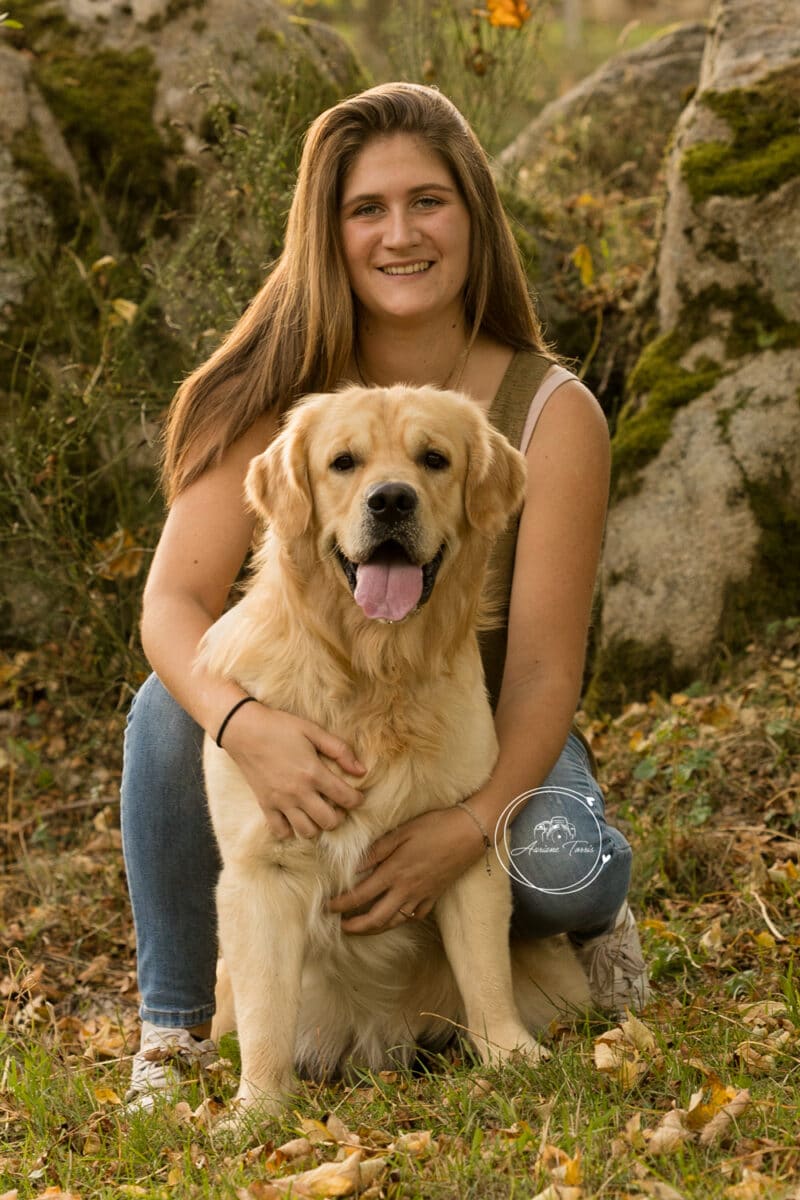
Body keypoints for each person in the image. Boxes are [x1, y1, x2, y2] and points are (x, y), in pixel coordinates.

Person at [120, 81, 648, 1107]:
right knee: (161, 714)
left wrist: (472, 820)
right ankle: (172, 1031)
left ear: (472, 219)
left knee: (561, 864)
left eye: (427, 202)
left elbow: (540, 667)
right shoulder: (277, 393)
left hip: (479, 727)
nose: (398, 234)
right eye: (366, 208)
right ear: (329, 231)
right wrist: (244, 726)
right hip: (317, 700)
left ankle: (594, 929)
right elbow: (171, 606)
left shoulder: (549, 413)